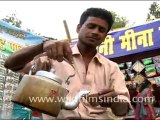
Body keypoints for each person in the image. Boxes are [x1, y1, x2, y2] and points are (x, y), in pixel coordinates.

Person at [4, 7, 131, 119]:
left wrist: (114, 101)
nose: (95, 32)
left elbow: (122, 111)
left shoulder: (111, 68)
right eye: (91, 26)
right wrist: (41, 46)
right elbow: (10, 64)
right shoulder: (53, 56)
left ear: (104, 37)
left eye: (101, 30)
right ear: (79, 28)